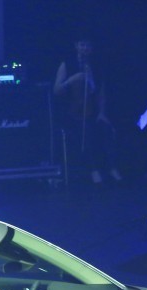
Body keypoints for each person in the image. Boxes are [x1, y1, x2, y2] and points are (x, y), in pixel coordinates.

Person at [53, 37, 122, 185]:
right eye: (82, 45)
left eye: (88, 45)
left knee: (107, 130)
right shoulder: (67, 65)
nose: (85, 48)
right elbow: (57, 90)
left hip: (93, 110)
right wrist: (72, 79)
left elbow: (101, 93)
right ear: (76, 46)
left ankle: (112, 167)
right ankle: (93, 170)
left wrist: (102, 113)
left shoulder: (96, 66)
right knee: (87, 132)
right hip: (73, 112)